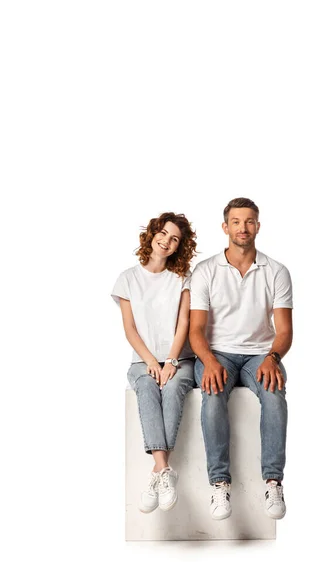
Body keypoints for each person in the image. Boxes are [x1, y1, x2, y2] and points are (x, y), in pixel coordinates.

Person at [189, 197, 293, 521]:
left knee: (274, 394)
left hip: (260, 353)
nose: (243, 228)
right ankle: (220, 484)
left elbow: (285, 330)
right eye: (236, 221)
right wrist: (209, 360)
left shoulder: (276, 271)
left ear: (257, 226)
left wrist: (273, 357)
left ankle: (273, 482)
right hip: (216, 351)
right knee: (213, 394)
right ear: (225, 227)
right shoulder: (205, 271)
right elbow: (196, 330)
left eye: (249, 221)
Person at [111, 212, 197, 514]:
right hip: (142, 361)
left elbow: (184, 322)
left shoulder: (183, 279)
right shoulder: (127, 279)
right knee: (147, 388)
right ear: (152, 234)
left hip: (180, 359)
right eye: (163, 233)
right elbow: (130, 329)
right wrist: (151, 362)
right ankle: (164, 471)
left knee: (172, 390)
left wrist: (171, 360)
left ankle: (157, 474)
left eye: (174, 238)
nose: (166, 241)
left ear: (179, 246)